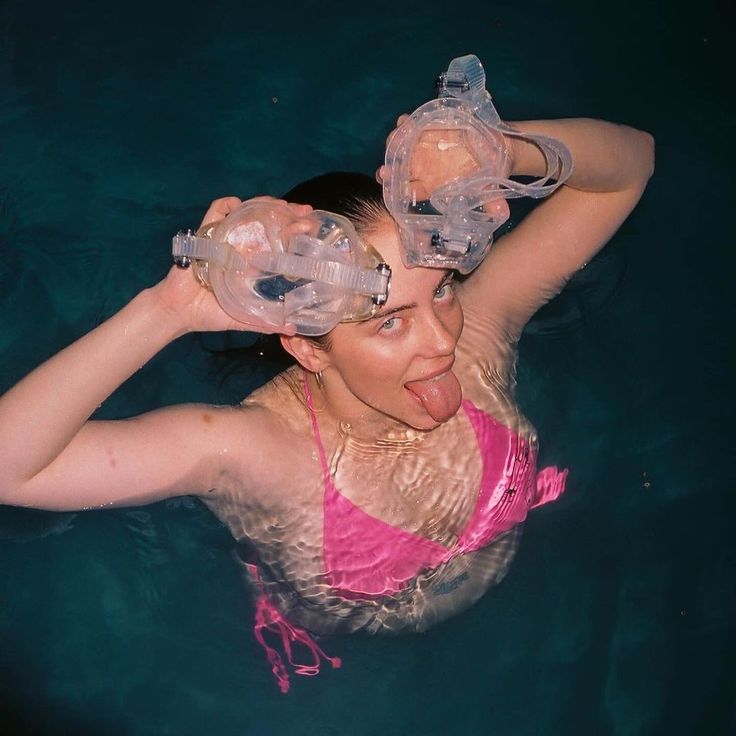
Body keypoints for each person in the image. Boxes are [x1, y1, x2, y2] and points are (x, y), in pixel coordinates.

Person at [0, 74, 654, 691]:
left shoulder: (479, 332)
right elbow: (10, 468)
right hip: (351, 665)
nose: (441, 341)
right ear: (307, 349)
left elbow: (629, 168)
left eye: (445, 291)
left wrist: (503, 148)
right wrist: (167, 311)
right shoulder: (255, 454)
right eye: (391, 322)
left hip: (533, 630)